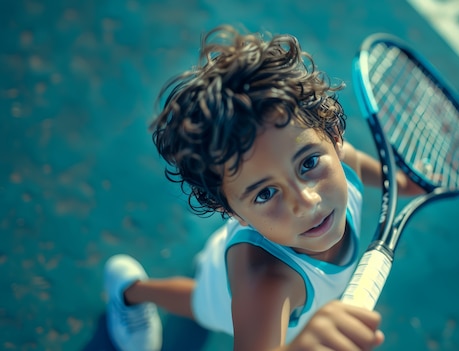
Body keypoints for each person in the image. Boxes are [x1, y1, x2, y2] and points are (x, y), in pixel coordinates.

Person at [103, 24, 424, 351]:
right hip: (237, 292)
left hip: (258, 258)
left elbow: (356, 162)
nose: (307, 201)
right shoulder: (264, 290)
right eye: (266, 193)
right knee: (201, 303)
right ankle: (130, 291)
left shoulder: (342, 160)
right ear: (231, 212)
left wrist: (397, 182)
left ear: (334, 139)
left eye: (309, 164)